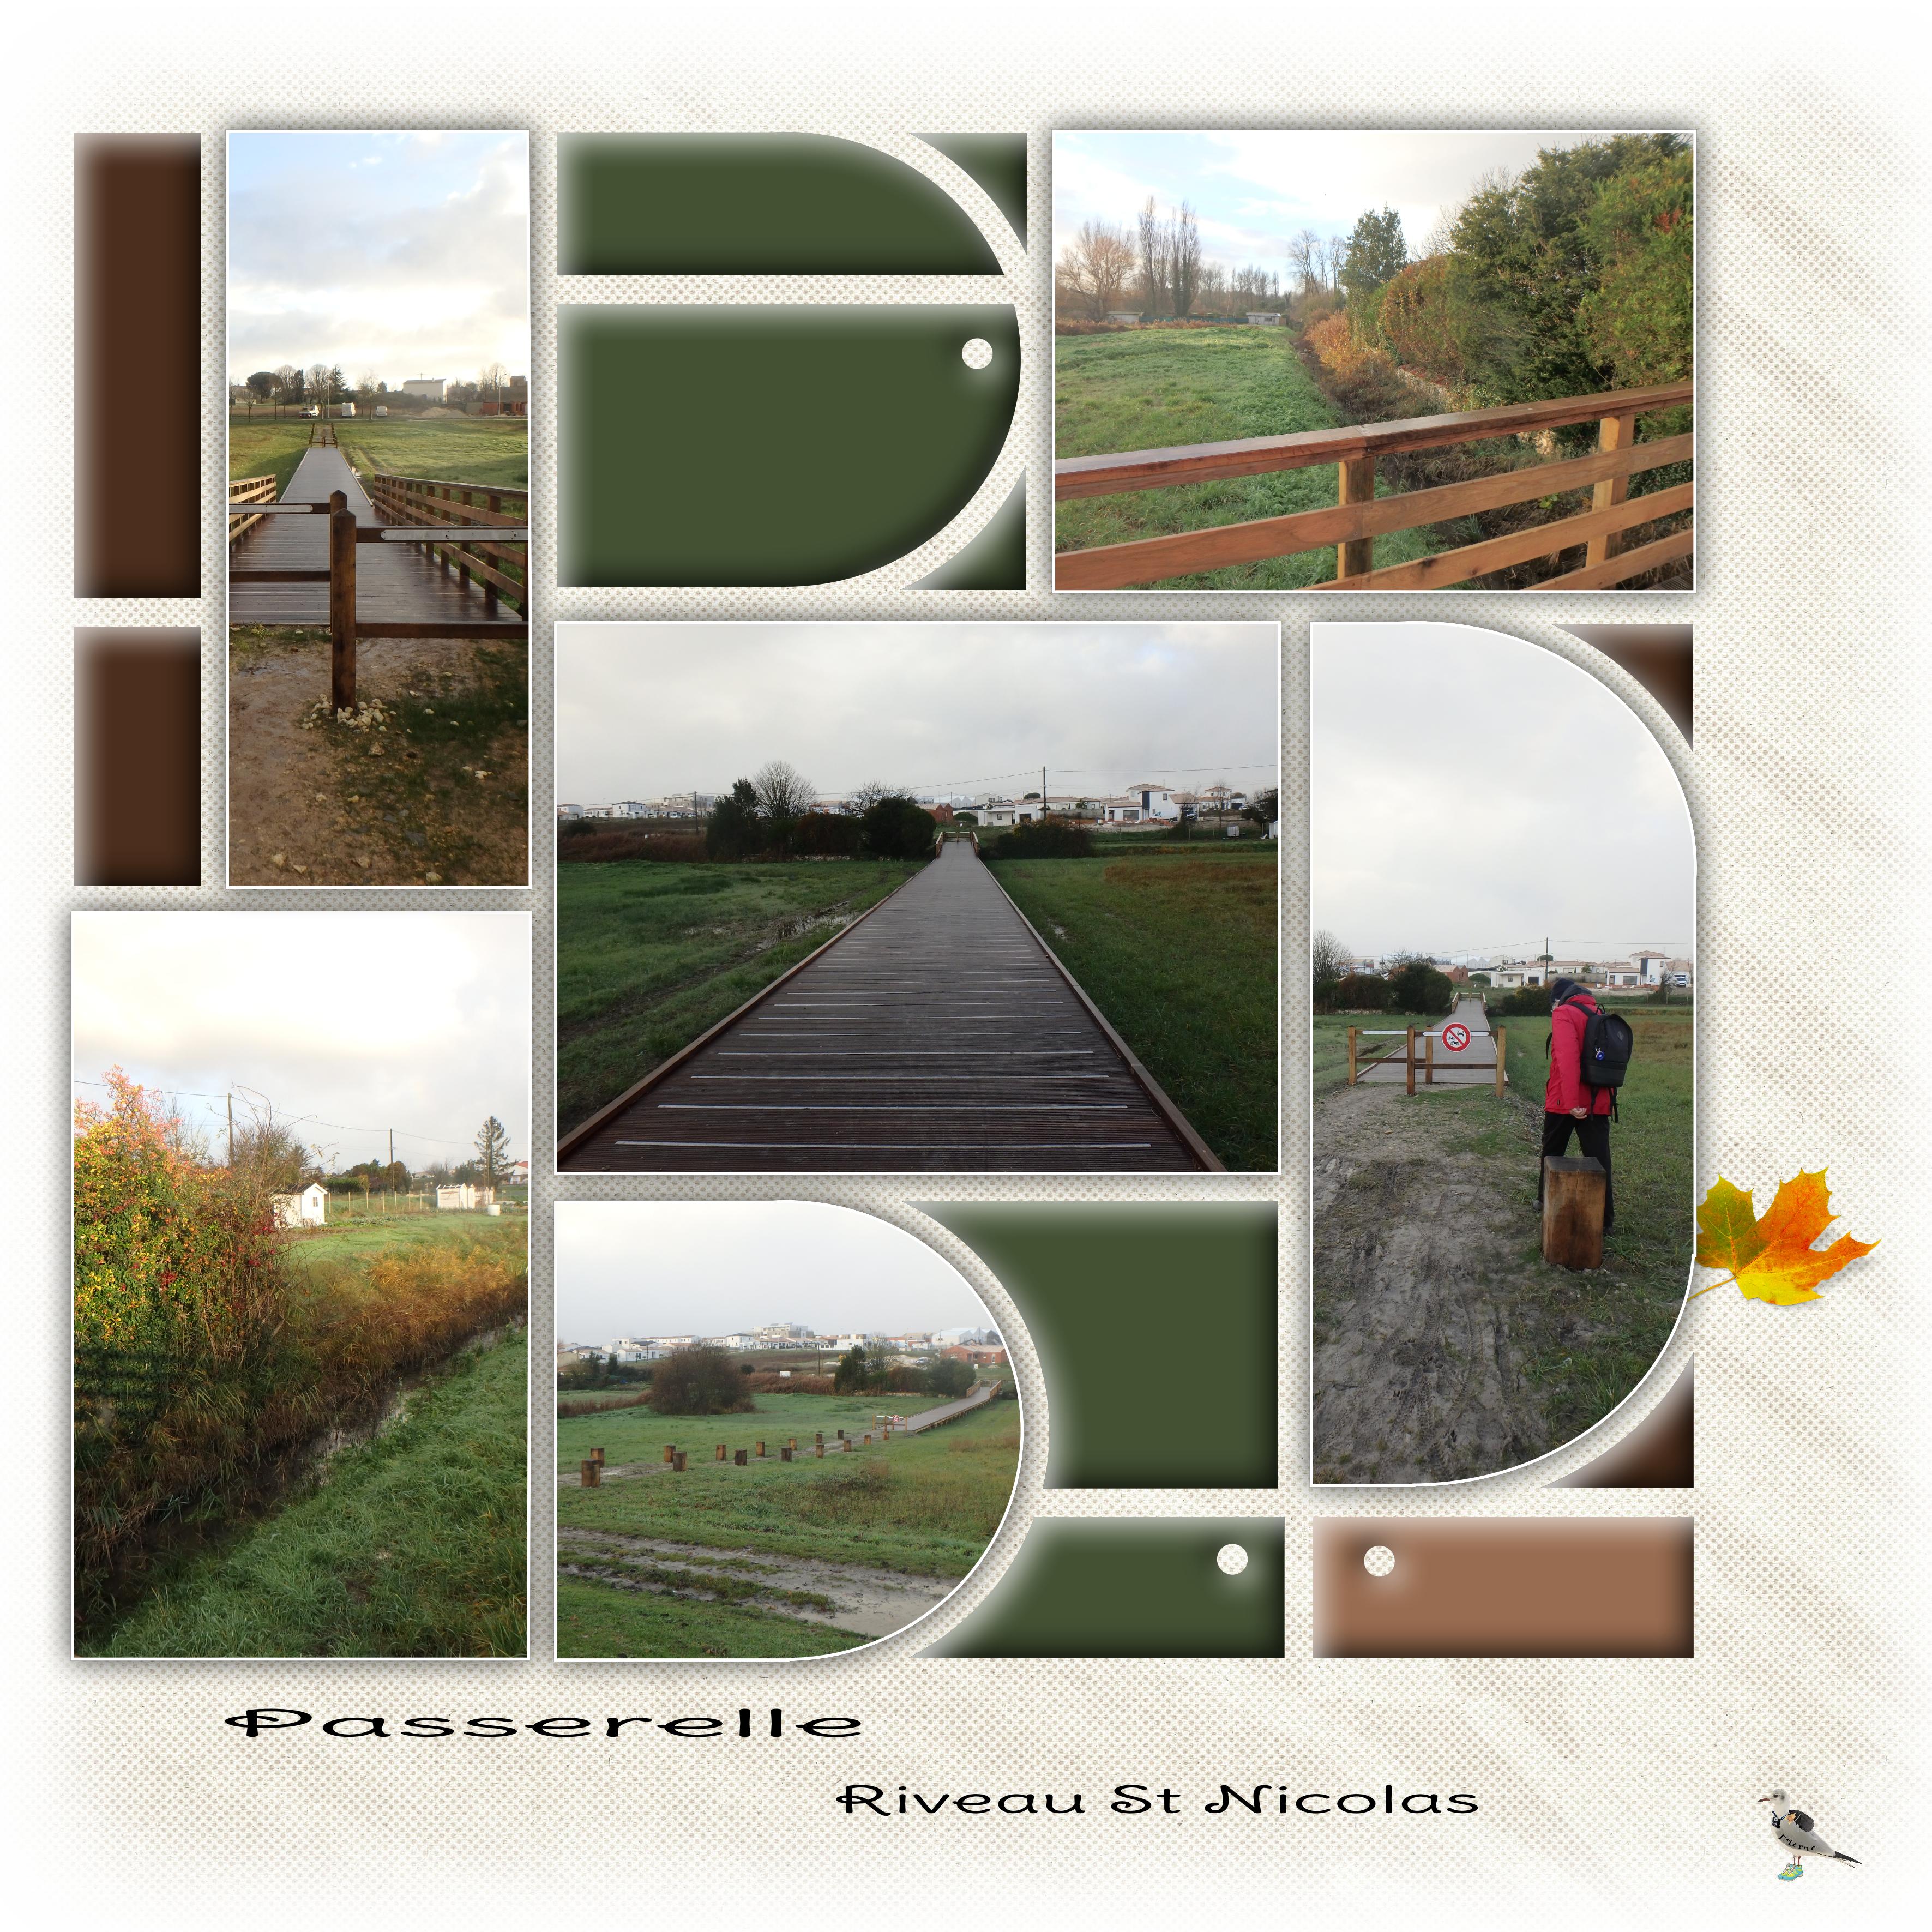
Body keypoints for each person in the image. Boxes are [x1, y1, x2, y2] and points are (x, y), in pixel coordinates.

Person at [1538, 977, 1615, 1232]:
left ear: (1559, 999)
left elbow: (1567, 1059)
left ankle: (1544, 1200)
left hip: (1564, 1101)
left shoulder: (1564, 1014)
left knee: (1552, 1152)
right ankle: (1605, 1220)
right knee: (1600, 1159)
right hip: (1598, 1100)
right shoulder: (1600, 1014)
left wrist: (1572, 1102)